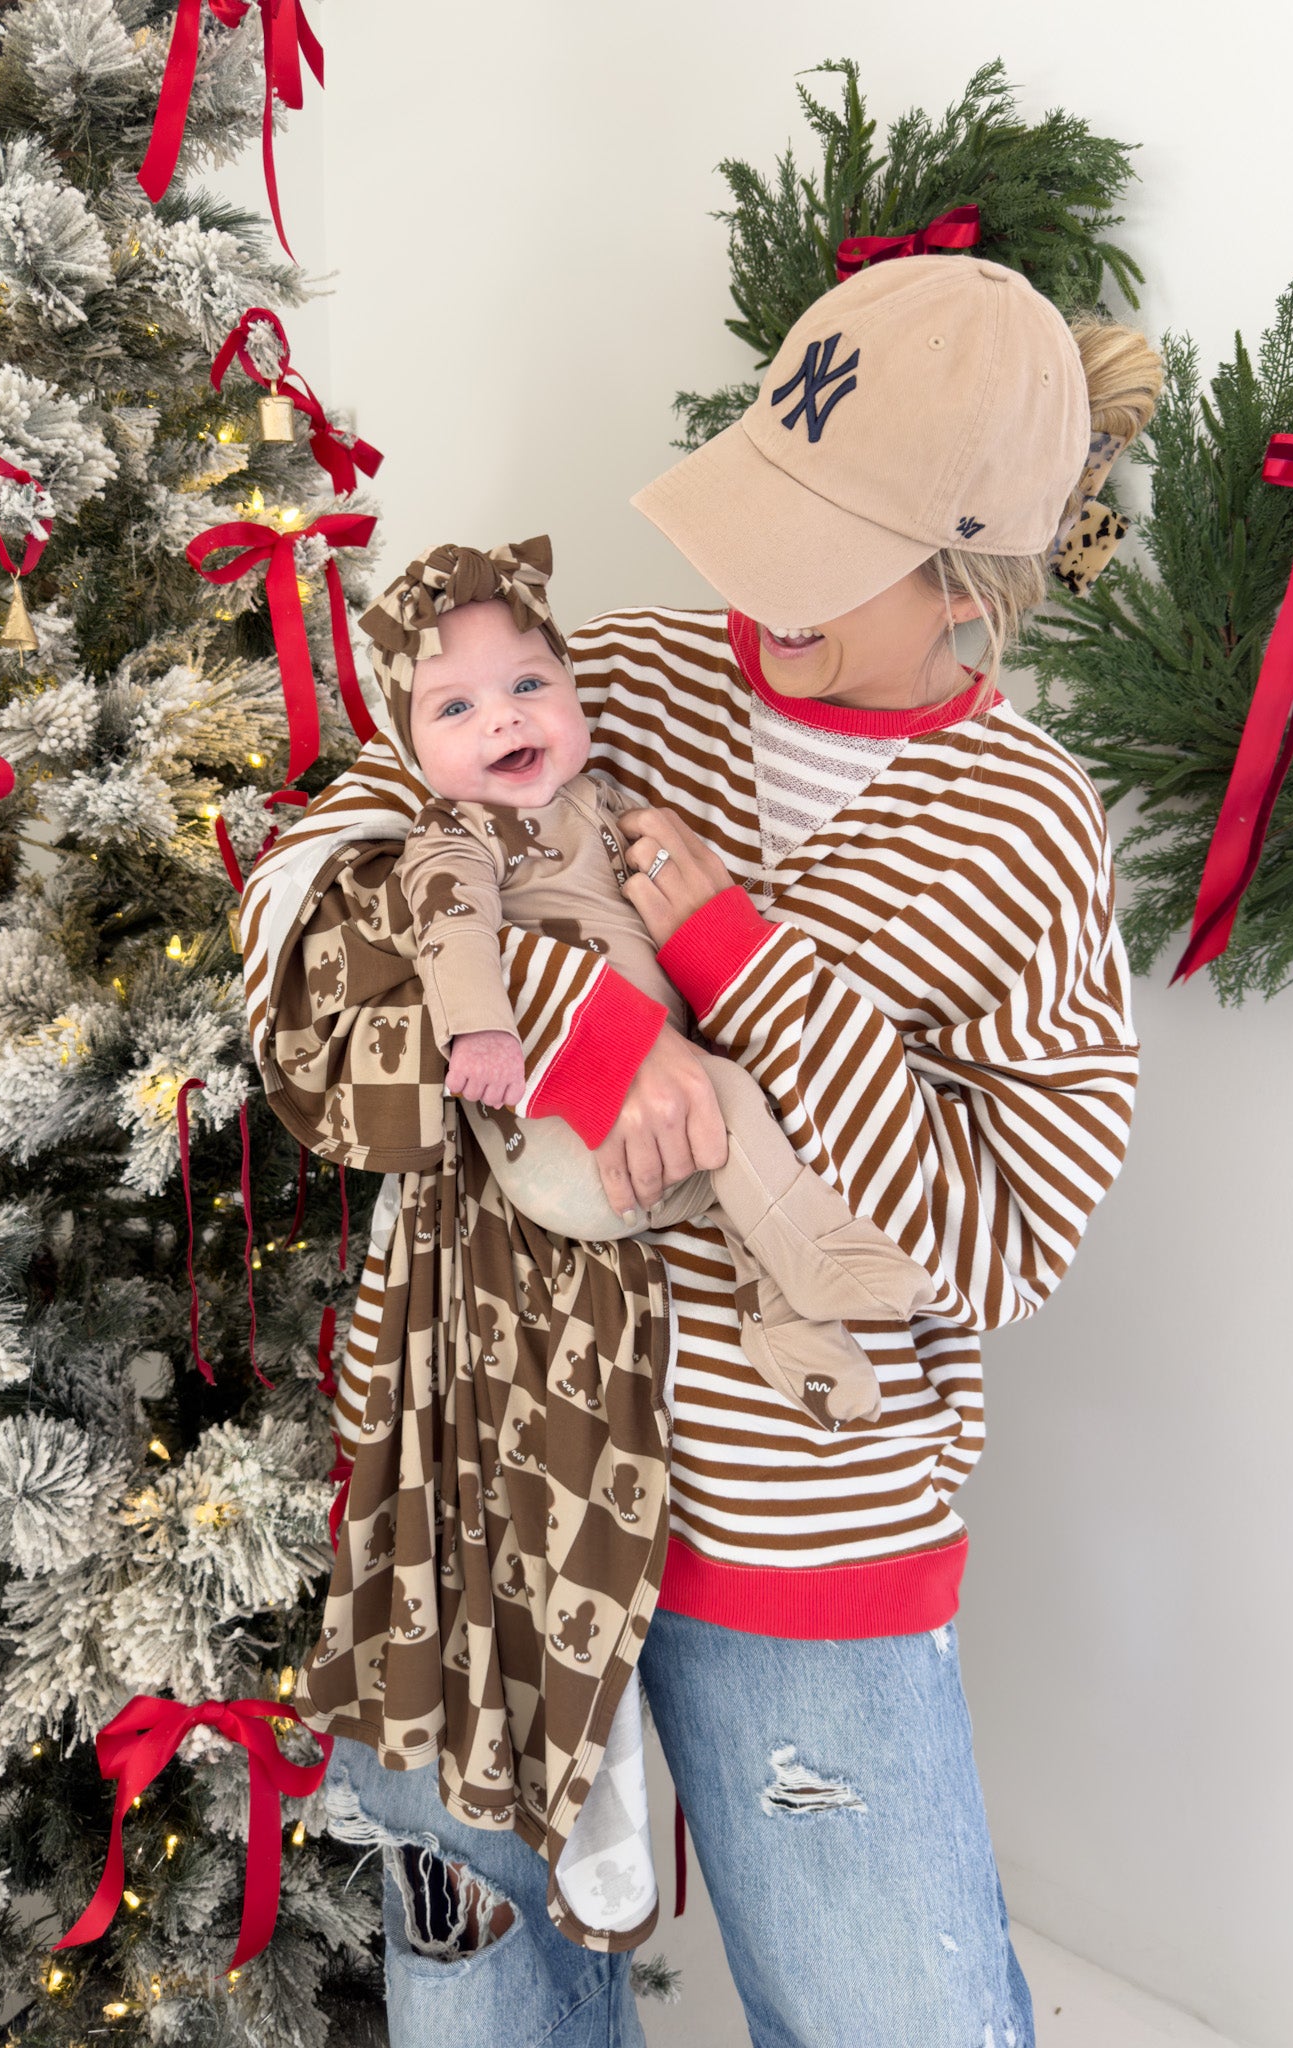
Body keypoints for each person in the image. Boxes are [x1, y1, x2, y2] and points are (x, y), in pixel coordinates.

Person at [314, 251, 1159, 2046]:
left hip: (806, 1537)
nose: (751, 585)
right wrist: (593, 1026)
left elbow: (993, 1243)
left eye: (825, 550)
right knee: (483, 2011)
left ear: (968, 586)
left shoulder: (1023, 831)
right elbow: (313, 924)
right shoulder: (596, 683)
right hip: (490, 1497)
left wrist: (743, 971)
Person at [374, 543, 932, 1432]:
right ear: (409, 750)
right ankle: (817, 1252)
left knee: (725, 1178)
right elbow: (449, 928)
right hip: (562, 1121)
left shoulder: (593, 798)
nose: (502, 722)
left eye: (529, 687)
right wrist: (481, 1031)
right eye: (455, 708)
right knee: (731, 1100)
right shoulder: (454, 831)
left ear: (572, 686)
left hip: (644, 1135)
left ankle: (800, 1342)